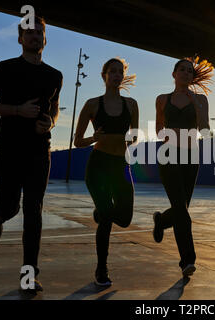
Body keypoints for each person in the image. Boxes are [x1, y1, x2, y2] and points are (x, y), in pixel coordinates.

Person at [0, 16, 63, 293]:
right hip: (10, 149)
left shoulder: (55, 75)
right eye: (29, 32)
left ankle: (29, 275)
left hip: (40, 151)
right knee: (11, 205)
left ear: (45, 39)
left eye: (40, 32)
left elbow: (56, 110)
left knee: (33, 210)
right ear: (20, 38)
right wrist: (16, 110)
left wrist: (50, 123)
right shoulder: (5, 68)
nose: (35, 36)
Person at [74, 58, 139, 287]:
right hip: (98, 167)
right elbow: (78, 141)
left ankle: (100, 212)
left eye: (120, 71)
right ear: (104, 75)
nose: (117, 75)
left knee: (124, 218)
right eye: (112, 71)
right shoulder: (92, 104)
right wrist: (94, 138)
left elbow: (134, 137)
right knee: (107, 221)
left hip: (120, 165)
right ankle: (101, 269)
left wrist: (126, 140)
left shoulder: (131, 104)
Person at [153, 56, 213, 277]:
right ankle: (187, 260)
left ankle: (161, 220)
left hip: (191, 156)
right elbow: (159, 130)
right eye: (182, 69)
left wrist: (197, 107)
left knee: (181, 208)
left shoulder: (201, 100)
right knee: (180, 208)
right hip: (168, 155)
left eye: (190, 71)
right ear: (174, 74)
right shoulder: (162, 99)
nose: (186, 73)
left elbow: (205, 130)